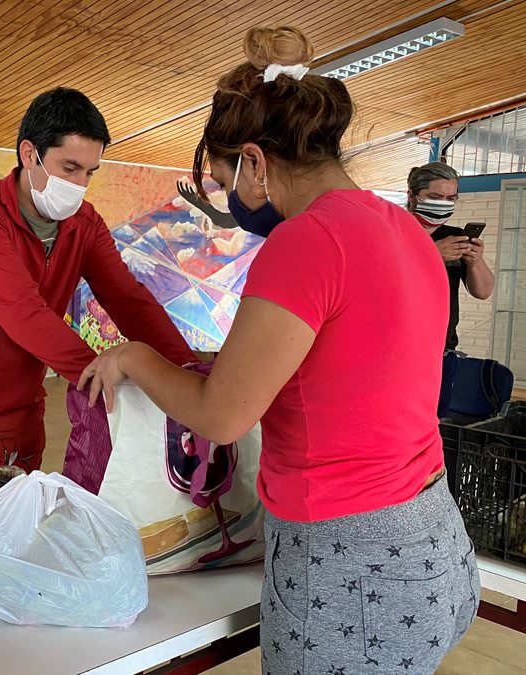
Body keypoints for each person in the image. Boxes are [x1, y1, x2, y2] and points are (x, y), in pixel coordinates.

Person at [79, 26, 478, 674]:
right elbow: (355, 374)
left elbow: (221, 415)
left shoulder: (306, 243)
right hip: (431, 542)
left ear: (257, 162)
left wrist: (132, 358)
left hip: (351, 568)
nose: (229, 200)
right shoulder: (403, 228)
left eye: (225, 179)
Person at [0, 87, 196, 470]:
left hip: (17, 418)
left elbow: (128, 299)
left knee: (12, 531)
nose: (80, 184)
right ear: (28, 154)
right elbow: (22, 311)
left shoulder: (85, 225)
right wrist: (98, 373)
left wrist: (187, 371)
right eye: (69, 168)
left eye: (89, 172)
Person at [407, 162, 495, 417]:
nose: (443, 203)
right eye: (435, 197)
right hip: (402, 352)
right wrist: (431, 254)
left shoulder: (455, 236)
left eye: (450, 198)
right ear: (412, 196)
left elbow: (483, 291)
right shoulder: (394, 229)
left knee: (433, 423)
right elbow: (377, 281)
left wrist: (475, 261)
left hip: (442, 352)